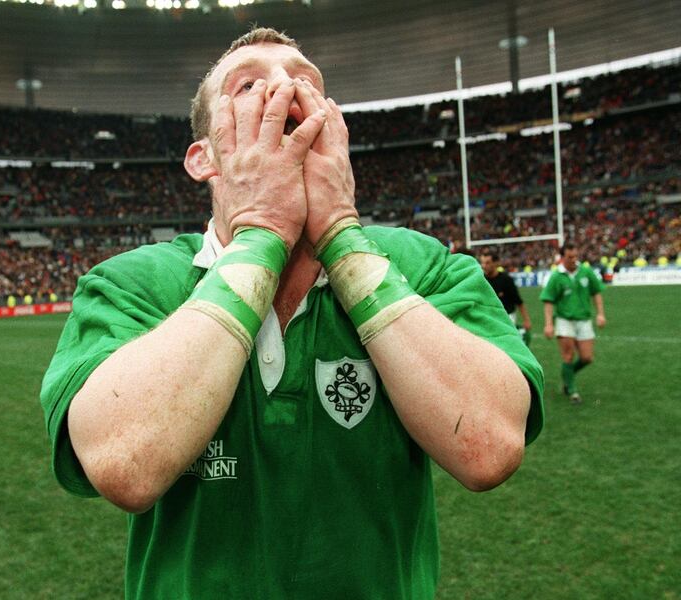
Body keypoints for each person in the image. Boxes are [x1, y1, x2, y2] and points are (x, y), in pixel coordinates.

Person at [40, 27, 544, 599]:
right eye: (249, 83)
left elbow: (489, 447)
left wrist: (342, 238)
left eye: (306, 82)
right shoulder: (130, 283)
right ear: (203, 157)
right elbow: (124, 464)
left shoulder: (424, 265)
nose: (285, 88)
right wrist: (260, 235)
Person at [540, 243, 606, 404]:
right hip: (564, 320)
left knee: (587, 357)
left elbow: (596, 292)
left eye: (575, 256)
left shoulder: (586, 271)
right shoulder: (556, 276)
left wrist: (601, 314)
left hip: (584, 319)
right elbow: (548, 300)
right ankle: (573, 391)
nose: (573, 260)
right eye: (569, 257)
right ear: (562, 257)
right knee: (568, 356)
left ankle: (568, 378)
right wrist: (548, 324)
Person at [479, 250, 533, 346]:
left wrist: (526, 320)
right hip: (489, 317)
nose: (484, 265)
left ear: (496, 263)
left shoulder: (506, 280)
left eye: (487, 263)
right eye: (482, 262)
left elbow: (518, 301)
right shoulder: (481, 280)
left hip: (507, 317)